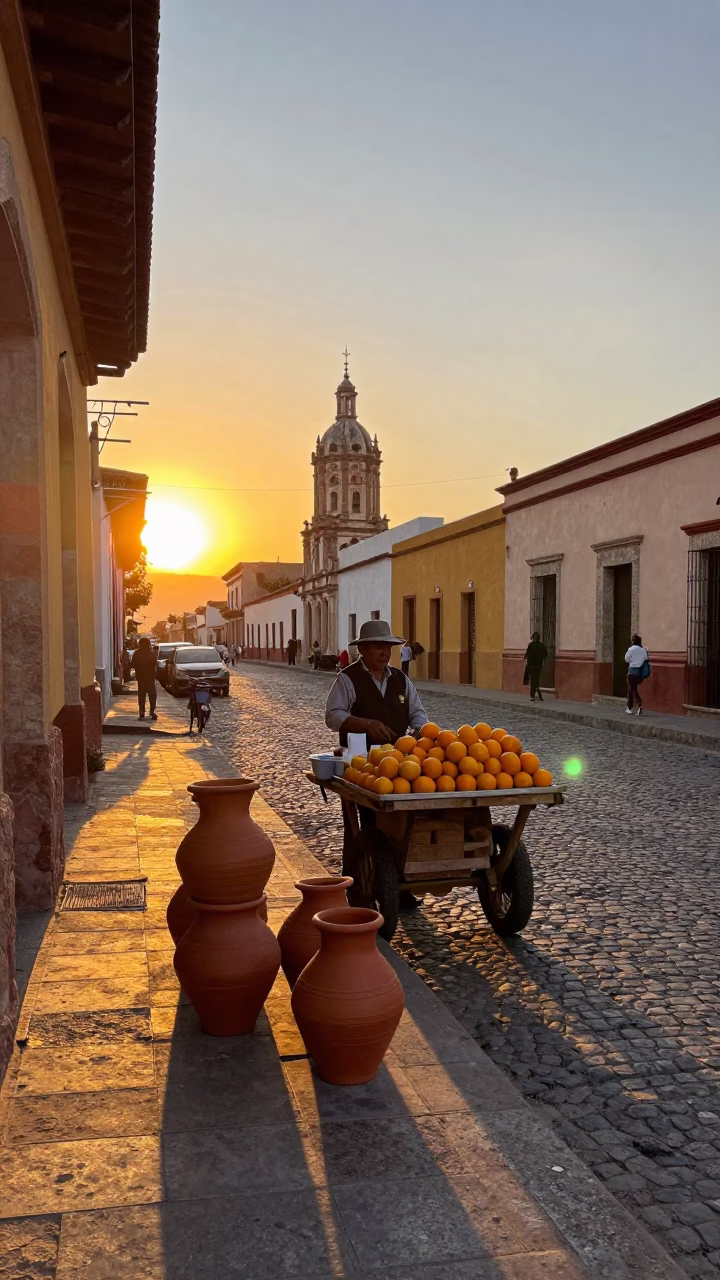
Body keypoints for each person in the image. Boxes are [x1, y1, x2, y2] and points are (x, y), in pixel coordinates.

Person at [326, 619, 428, 910]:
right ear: (364, 650)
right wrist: (365, 724)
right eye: (378, 647)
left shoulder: (400, 679)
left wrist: (424, 732)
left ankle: (399, 886)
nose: (385, 652)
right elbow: (333, 715)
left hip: (399, 765)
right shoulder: (347, 679)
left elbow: (417, 714)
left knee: (401, 824)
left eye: (388, 647)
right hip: (361, 766)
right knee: (366, 825)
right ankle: (359, 883)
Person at [131, 636, 158, 720]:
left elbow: (132, 664)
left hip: (141, 678)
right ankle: (152, 712)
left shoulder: (137, 653)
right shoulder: (151, 653)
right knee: (152, 695)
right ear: (148, 644)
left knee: (141, 696)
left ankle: (142, 712)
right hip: (150, 678)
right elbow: (155, 663)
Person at [625, 633, 649, 715]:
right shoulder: (643, 650)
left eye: (632, 640)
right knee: (633, 689)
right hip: (640, 673)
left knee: (632, 689)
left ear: (633, 641)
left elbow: (626, 659)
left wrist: (633, 660)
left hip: (632, 672)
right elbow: (646, 659)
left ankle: (632, 706)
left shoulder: (631, 649)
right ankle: (635, 706)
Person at [524, 631, 548, 702]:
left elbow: (527, 655)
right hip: (539, 666)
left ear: (533, 637)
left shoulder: (531, 645)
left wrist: (526, 660)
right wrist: (542, 660)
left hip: (532, 666)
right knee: (537, 679)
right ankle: (538, 692)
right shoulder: (542, 645)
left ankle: (533, 696)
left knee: (533, 681)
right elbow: (546, 654)